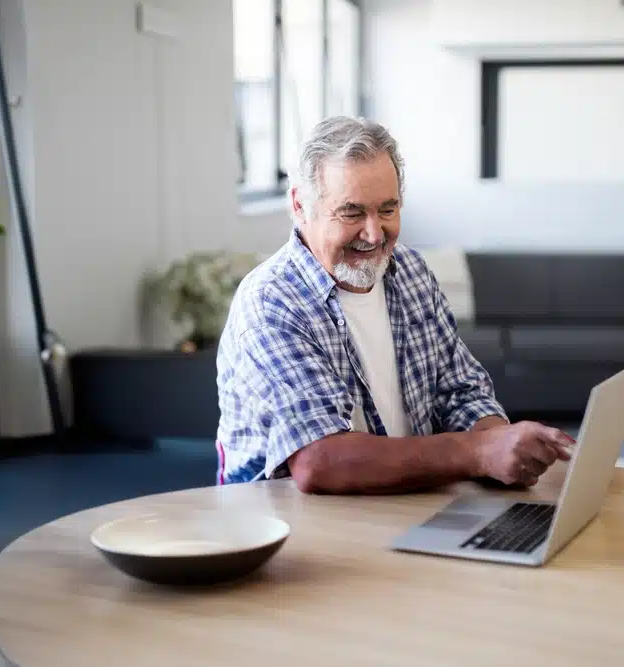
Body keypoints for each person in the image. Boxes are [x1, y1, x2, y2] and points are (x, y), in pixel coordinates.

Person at [215, 116, 574, 494]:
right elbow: (319, 462)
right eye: (351, 213)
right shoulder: (272, 303)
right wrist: (479, 451)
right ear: (300, 205)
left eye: (387, 210)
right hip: (285, 524)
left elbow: (461, 392)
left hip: (403, 504)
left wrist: (504, 448)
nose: (374, 234)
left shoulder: (411, 272)